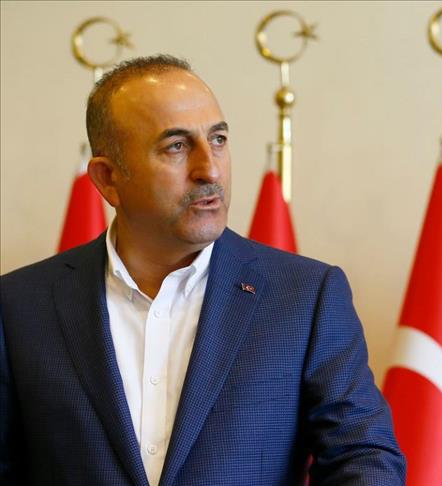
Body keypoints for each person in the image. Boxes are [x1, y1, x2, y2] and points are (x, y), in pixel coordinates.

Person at [0, 54, 405, 486]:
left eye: (218, 139)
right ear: (108, 178)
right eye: (176, 146)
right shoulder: (19, 306)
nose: (209, 169)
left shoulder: (305, 297)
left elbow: (364, 456)